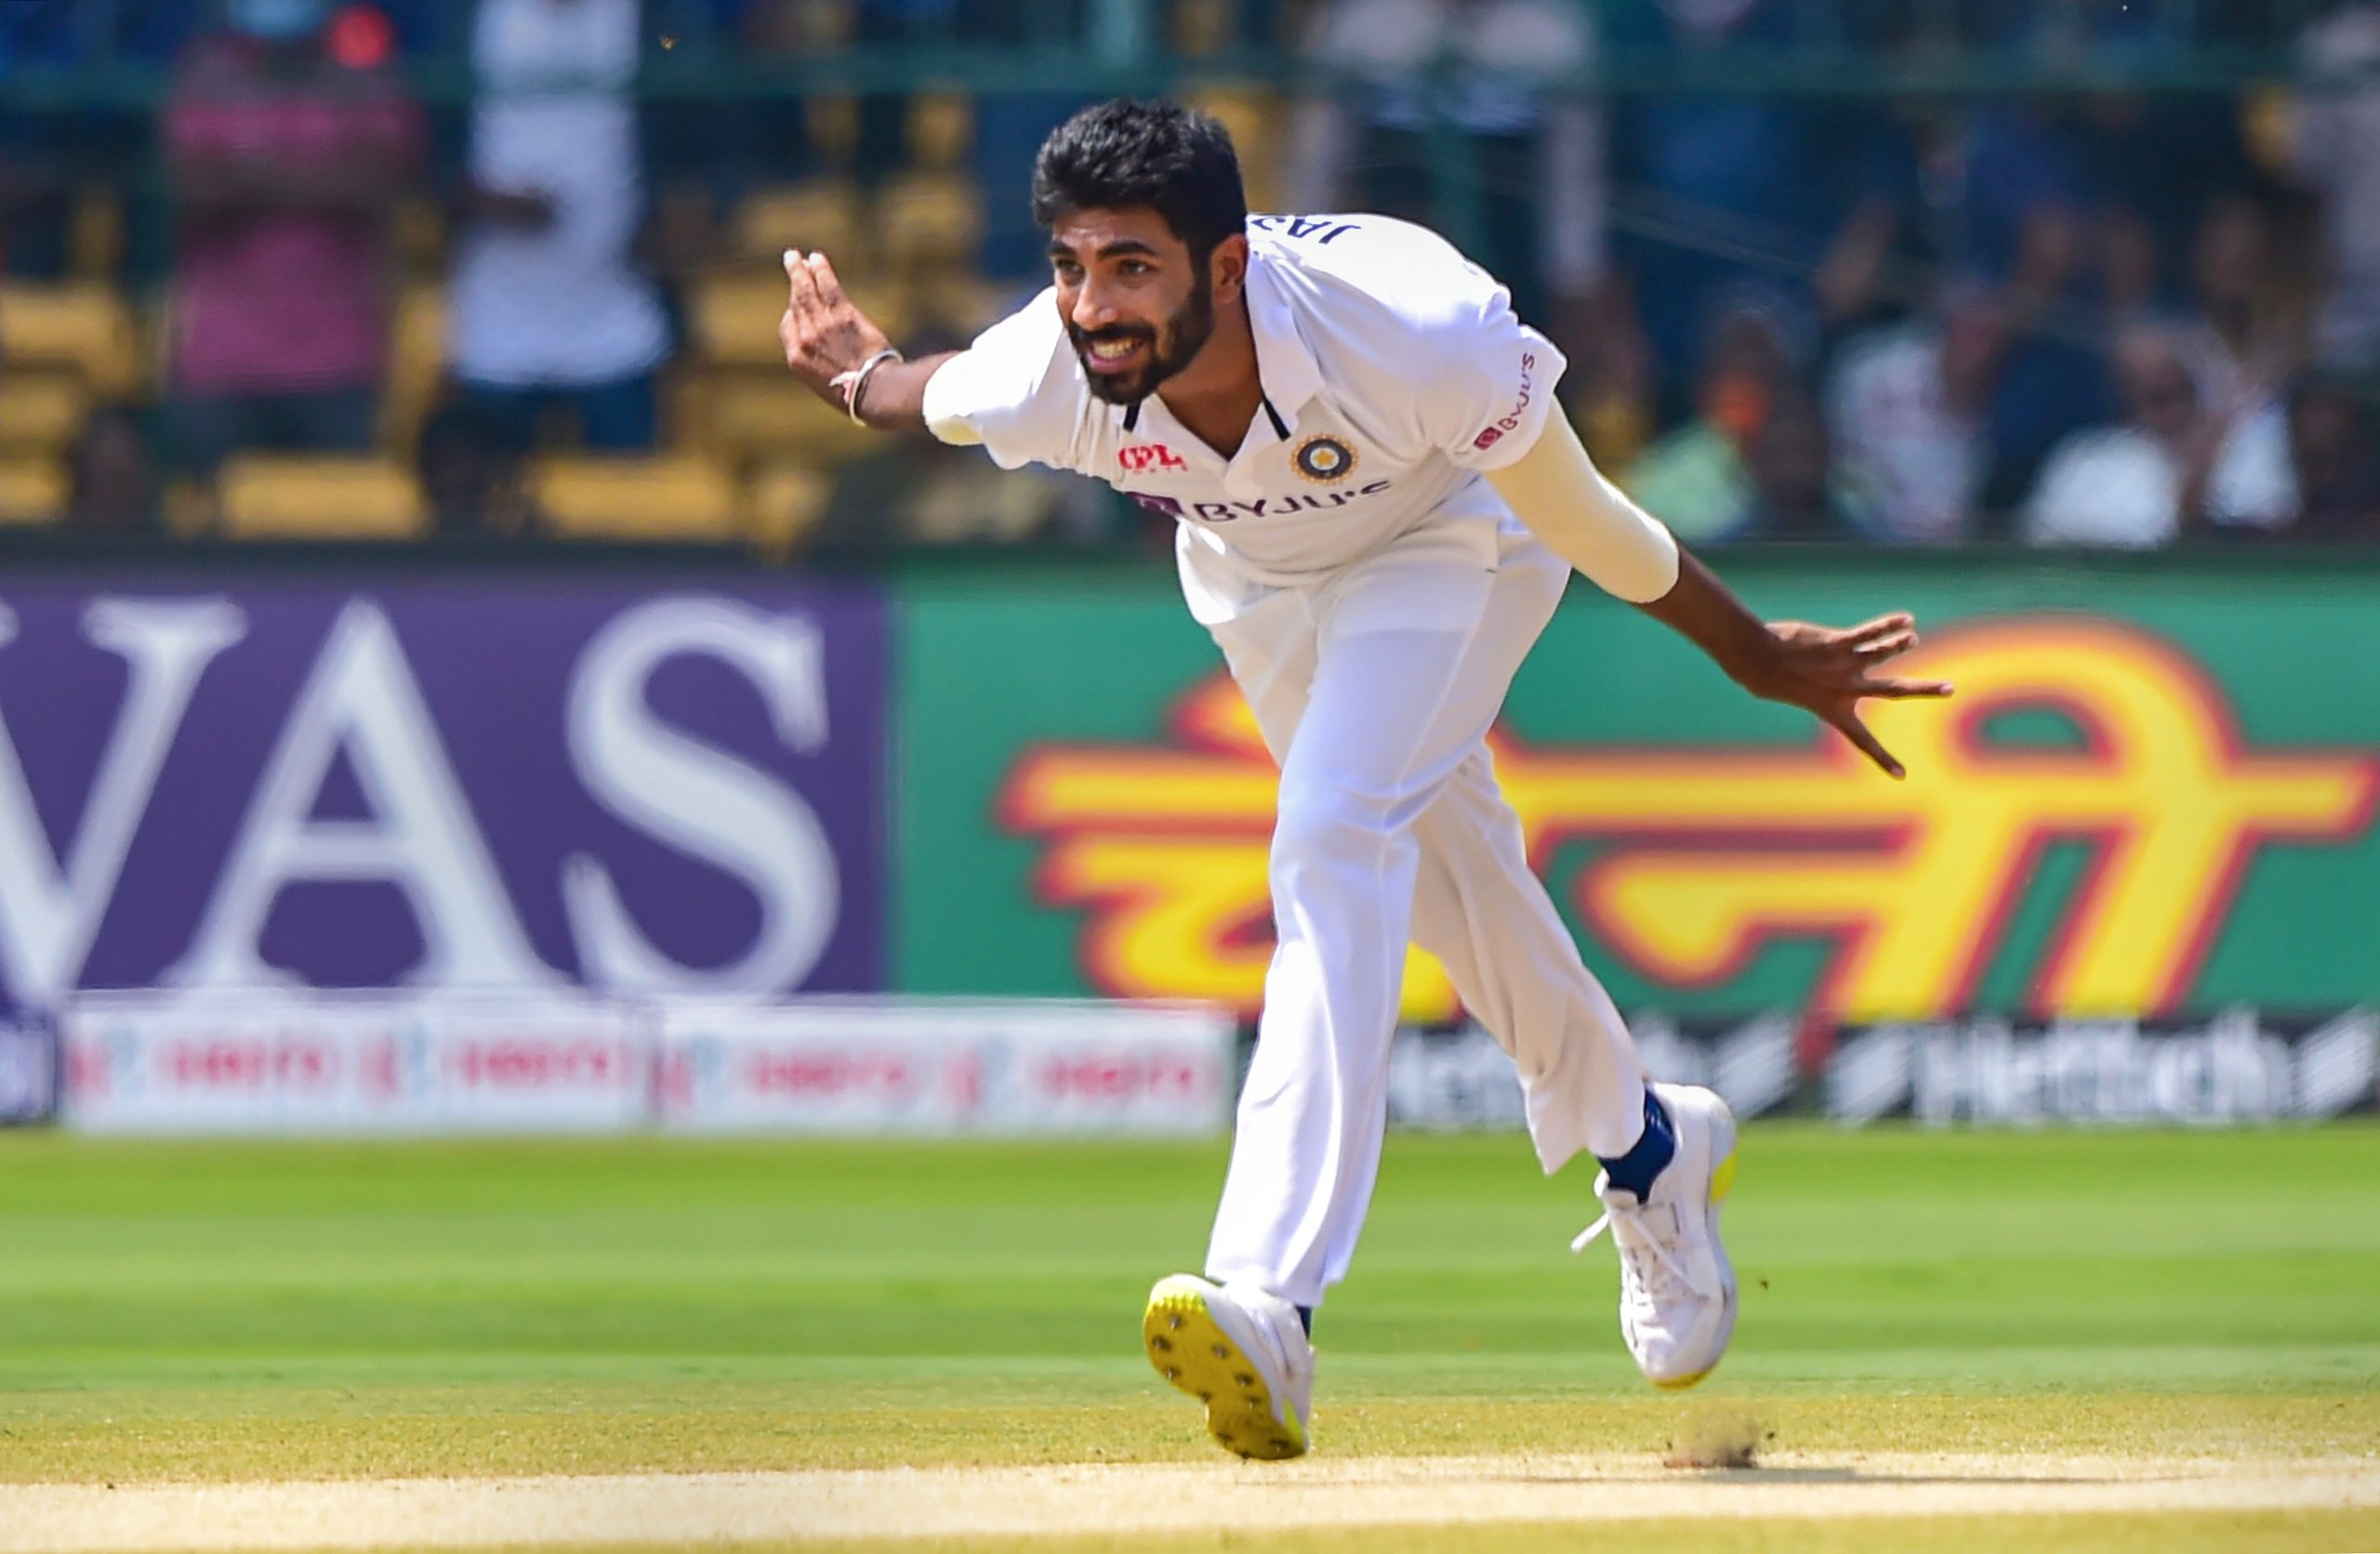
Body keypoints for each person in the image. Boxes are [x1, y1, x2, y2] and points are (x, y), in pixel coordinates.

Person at [774, 99, 1950, 1461]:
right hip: (1258, 587)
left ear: (1226, 266)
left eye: (1132, 268)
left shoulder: (1413, 332)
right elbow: (919, 392)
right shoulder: (1047, 368)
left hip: (1456, 538)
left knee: (1331, 834)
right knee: (1451, 878)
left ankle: (1270, 1300)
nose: (1094, 308)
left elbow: (1581, 514)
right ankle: (1644, 1149)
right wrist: (856, 377)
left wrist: (1751, 652)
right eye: (1071, 267)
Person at [159, 0, 423, 478]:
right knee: (209, 520)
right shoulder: (206, 71)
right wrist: (319, 174)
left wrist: (254, 172)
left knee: (338, 517)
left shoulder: (363, 68)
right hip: (222, 363)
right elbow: (190, 186)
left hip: (338, 362)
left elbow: (379, 180)